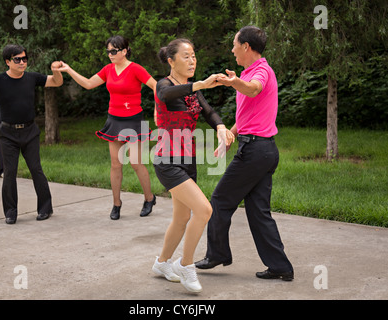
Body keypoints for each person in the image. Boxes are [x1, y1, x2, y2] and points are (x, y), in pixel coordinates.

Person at [195, 26, 294, 281]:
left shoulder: (261, 71)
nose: (232, 49)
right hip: (261, 149)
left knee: (219, 200)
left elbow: (253, 89)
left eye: (235, 44)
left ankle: (217, 254)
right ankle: (281, 266)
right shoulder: (249, 71)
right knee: (258, 211)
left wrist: (233, 82)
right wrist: (231, 134)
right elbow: (249, 113)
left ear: (246, 47)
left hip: (255, 151)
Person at [151, 39, 235, 293]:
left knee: (181, 218)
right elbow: (167, 95)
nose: (192, 61)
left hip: (188, 159)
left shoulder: (193, 90)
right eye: (186, 56)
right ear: (171, 61)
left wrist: (220, 127)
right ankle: (186, 265)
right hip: (167, 160)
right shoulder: (163, 85)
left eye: (194, 56)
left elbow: (208, 111)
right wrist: (200, 84)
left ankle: (162, 263)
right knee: (204, 210)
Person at [57, 35, 156, 220]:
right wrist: (69, 69)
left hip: (134, 120)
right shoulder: (108, 69)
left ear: (124, 51)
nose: (110, 54)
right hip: (115, 120)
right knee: (115, 164)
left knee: (135, 162)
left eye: (114, 51)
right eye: (108, 51)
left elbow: (156, 86)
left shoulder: (136, 69)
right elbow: (87, 84)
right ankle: (116, 204)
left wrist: (158, 109)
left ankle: (149, 198)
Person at [0, 44, 63, 224]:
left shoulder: (31, 77)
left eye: (24, 59)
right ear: (7, 62)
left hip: (30, 132)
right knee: (10, 172)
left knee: (36, 170)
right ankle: (10, 212)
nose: (22, 62)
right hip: (8, 133)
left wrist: (55, 71)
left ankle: (45, 208)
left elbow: (56, 82)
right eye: (17, 59)